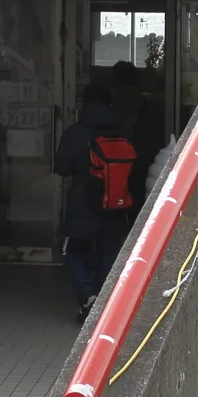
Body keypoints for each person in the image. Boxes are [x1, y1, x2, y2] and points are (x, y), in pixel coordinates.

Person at [54, 81, 138, 324]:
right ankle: (104, 305)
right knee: (109, 255)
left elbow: (61, 168)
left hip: (83, 205)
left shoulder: (75, 133)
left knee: (72, 252)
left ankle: (89, 298)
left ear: (84, 104)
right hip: (116, 205)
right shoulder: (121, 130)